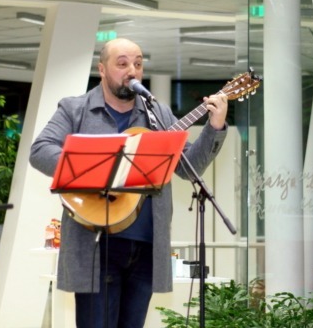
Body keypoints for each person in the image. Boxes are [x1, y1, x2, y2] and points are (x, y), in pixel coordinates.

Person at [29, 37, 228, 328]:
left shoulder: (158, 114)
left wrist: (215, 126)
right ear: (102, 69)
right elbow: (40, 151)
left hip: (146, 247)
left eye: (137, 64)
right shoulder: (75, 109)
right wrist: (97, 171)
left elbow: (189, 168)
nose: (132, 71)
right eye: (122, 64)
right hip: (96, 245)